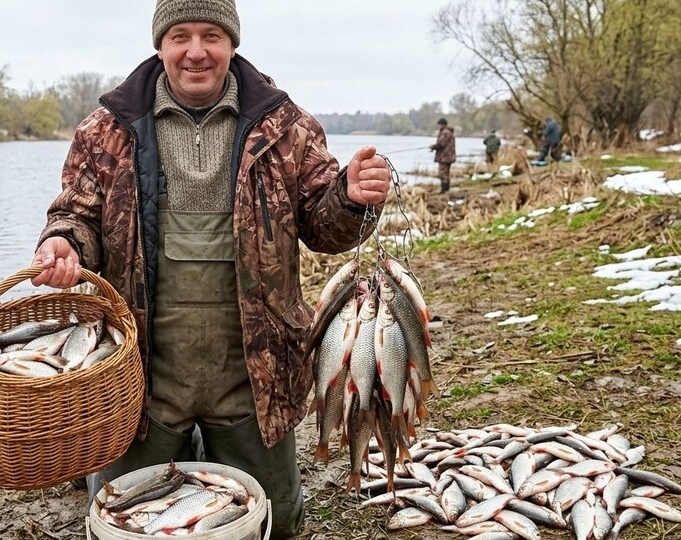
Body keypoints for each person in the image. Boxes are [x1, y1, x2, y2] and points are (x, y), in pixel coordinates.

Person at [28, 1, 390, 537]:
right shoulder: (106, 129)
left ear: (232, 43)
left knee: (274, 521)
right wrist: (63, 244)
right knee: (128, 523)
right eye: (180, 36)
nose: (196, 52)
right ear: (159, 44)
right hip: (142, 380)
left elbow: (323, 228)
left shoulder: (286, 127)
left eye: (211, 36)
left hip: (253, 376)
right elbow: (75, 215)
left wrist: (351, 197)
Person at [429, 117, 456, 193]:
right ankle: (446, 190)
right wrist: (434, 147)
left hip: (445, 157)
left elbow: (441, 144)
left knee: (443, 174)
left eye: (438, 125)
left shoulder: (445, 132)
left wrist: (433, 147)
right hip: (448, 156)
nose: (438, 127)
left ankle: (444, 190)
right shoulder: (448, 132)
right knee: (446, 174)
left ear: (442, 125)